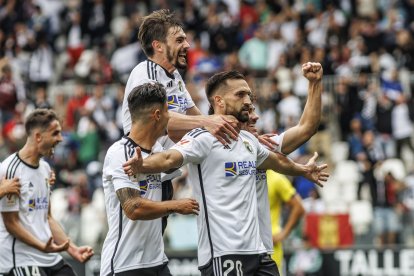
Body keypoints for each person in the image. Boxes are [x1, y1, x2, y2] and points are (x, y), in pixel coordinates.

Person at [124, 71, 329, 275]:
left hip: (260, 251)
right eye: (241, 95)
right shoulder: (202, 138)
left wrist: (302, 170)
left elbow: (283, 155)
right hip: (224, 253)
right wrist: (142, 164)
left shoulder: (253, 143)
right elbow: (169, 156)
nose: (249, 104)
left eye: (249, 95)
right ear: (219, 101)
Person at [122, 9, 240, 233]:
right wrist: (208, 123)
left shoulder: (174, 77)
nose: (187, 45)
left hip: (162, 173)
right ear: (158, 46)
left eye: (186, 39)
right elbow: (160, 122)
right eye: (179, 40)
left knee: (152, 247)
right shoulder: (144, 72)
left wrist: (238, 133)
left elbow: (195, 117)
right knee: (134, 247)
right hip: (139, 172)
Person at [100, 83, 199, 276]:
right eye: (168, 111)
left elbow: (181, 157)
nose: (170, 117)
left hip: (156, 262)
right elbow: (133, 207)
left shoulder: (158, 152)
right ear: (157, 115)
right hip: (124, 265)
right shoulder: (119, 153)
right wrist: (176, 206)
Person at [246, 62, 322, 270]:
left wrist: (314, 85)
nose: (255, 116)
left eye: (253, 109)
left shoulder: (265, 148)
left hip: (266, 252)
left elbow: (307, 128)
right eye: (247, 110)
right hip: (229, 252)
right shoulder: (210, 145)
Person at [0, 109, 94, 276]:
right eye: (55, 133)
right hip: (21, 259)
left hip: (48, 256)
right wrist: (42, 246)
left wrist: (72, 249)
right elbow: (11, 224)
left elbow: (47, 217)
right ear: (38, 137)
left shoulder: (44, 169)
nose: (60, 138)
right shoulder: (10, 170)